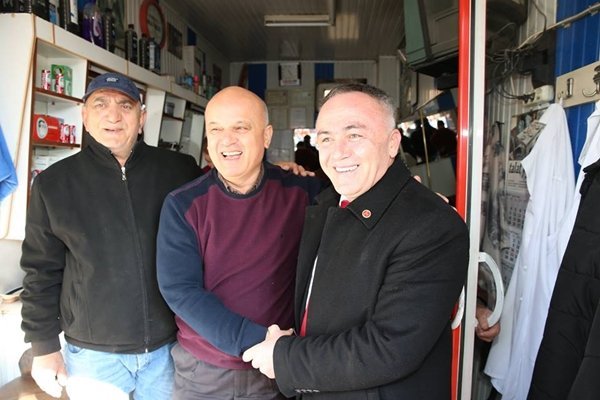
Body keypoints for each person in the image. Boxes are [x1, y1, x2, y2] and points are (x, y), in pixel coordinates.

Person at [242, 83, 469, 399]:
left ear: (393, 143)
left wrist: (284, 358)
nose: (338, 152)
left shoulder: (431, 224)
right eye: (326, 138)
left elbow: (390, 348)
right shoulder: (326, 203)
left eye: (355, 135)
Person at [20, 72, 202, 399]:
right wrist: (44, 346)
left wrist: (278, 174)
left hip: (169, 347)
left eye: (125, 106)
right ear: (84, 116)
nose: (113, 115)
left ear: (141, 118)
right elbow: (40, 270)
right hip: (92, 355)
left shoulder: (180, 170)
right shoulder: (53, 184)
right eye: (100, 104)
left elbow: (229, 199)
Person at [156, 86, 323, 399]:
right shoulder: (184, 204)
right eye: (216, 129)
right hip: (205, 372)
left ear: (266, 136)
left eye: (241, 128)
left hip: (277, 371)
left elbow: (359, 199)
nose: (227, 140)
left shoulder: (303, 192)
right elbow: (180, 290)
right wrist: (257, 340)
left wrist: (405, 194)